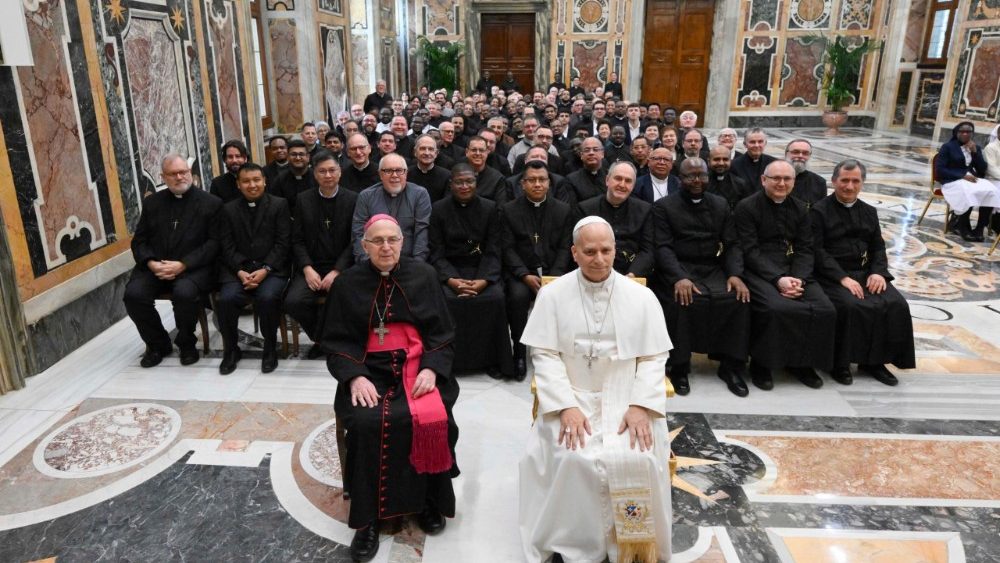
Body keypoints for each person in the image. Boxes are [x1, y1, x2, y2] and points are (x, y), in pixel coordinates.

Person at [519, 216, 672, 563]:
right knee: (572, 457)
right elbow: (544, 354)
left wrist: (640, 405)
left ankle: (631, 545)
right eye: (589, 252)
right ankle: (573, 543)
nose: (599, 259)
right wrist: (565, 405)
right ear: (574, 252)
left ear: (616, 250)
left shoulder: (642, 297)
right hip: (572, 394)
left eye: (606, 250)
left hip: (627, 396)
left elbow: (653, 356)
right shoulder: (552, 295)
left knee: (639, 456)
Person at [320, 214, 459, 562]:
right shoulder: (347, 283)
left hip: (417, 366)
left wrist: (432, 368)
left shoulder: (424, 275)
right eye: (377, 241)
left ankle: (428, 500)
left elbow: (443, 333)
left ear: (402, 242)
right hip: (369, 369)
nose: (386, 247)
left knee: (432, 415)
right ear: (364, 246)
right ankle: (367, 520)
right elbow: (335, 341)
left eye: (392, 240)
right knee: (366, 423)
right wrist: (354, 375)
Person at [653, 158, 751, 396]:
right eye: (690, 176)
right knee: (683, 301)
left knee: (738, 299)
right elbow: (663, 247)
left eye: (702, 175)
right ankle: (679, 366)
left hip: (711, 266)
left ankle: (730, 366)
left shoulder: (720, 204)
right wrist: (678, 277)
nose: (697, 180)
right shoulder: (664, 206)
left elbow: (732, 243)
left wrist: (735, 274)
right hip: (679, 267)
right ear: (680, 178)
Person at [811, 160, 915, 385]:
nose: (849, 186)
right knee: (850, 305)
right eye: (844, 180)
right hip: (832, 275)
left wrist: (878, 273)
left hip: (866, 272)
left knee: (895, 304)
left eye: (855, 181)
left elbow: (877, 246)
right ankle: (840, 363)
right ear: (834, 181)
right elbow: (817, 251)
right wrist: (842, 278)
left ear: (862, 183)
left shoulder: (869, 211)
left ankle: (875, 362)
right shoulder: (819, 211)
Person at [735, 160, 836, 389]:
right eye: (776, 178)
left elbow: (805, 248)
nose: (781, 183)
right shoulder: (747, 207)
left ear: (794, 181)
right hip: (760, 270)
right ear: (764, 180)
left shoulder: (800, 208)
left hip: (795, 269)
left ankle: (803, 363)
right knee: (776, 308)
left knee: (824, 309)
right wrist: (778, 278)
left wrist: (799, 278)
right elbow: (749, 250)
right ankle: (762, 365)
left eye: (787, 179)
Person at [124, 154, 222, 367]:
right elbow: (139, 241)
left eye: (183, 172)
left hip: (193, 268)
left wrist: (183, 264)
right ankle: (158, 344)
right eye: (173, 174)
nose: (179, 177)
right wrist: (151, 263)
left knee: (184, 293)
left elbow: (214, 243)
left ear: (190, 173)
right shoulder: (152, 203)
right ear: (163, 177)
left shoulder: (211, 203)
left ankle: (186, 344)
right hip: (156, 267)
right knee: (133, 295)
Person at [429, 164, 514, 377]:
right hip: (450, 271)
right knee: (447, 300)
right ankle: (449, 362)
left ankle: (492, 361)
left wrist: (483, 280)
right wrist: (451, 280)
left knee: (495, 298)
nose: (464, 186)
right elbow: (436, 251)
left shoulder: (490, 208)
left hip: (482, 270)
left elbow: (494, 249)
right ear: (451, 184)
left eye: (469, 181)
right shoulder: (438, 209)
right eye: (459, 182)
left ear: (476, 183)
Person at [216, 163, 291, 375]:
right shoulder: (228, 209)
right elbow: (226, 245)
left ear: (264, 181)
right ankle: (231, 349)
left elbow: (283, 243)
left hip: (271, 270)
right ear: (238, 184)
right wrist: (240, 271)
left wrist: (265, 269)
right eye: (246, 181)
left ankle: (270, 349)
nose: (252, 185)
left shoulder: (279, 205)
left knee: (267, 298)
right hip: (238, 271)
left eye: (257, 180)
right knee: (226, 300)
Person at [501, 161, 574, 379]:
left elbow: (565, 247)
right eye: (531, 180)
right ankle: (520, 353)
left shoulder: (563, 210)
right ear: (522, 184)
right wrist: (524, 275)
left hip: (555, 272)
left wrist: (555, 277)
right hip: (522, 273)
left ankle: (559, 353)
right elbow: (507, 248)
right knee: (517, 297)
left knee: (564, 297)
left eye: (542, 180)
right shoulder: (509, 210)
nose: (537, 184)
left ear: (549, 183)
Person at [286, 152, 357, 358]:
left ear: (340, 172)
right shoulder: (303, 200)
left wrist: (337, 271)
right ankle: (321, 339)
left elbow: (355, 240)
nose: (328, 175)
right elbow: (297, 240)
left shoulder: (354, 199)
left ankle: (340, 339)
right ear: (314, 174)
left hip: (342, 267)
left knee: (346, 298)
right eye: (322, 171)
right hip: (312, 266)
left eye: (332, 170)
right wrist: (307, 268)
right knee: (294, 301)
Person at [577, 161, 654, 278]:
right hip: (594, 271)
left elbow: (647, 250)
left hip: (631, 274)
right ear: (607, 180)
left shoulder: (644, 210)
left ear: (633, 186)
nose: (622, 185)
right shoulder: (585, 209)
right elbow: (580, 247)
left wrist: (632, 274)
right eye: (618, 178)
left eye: (628, 181)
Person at [352, 154, 433, 262]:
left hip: (409, 261)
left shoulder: (419, 194)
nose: (394, 175)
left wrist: (417, 264)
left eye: (399, 170)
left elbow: (422, 232)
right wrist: (367, 264)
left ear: (406, 173)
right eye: (388, 171)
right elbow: (358, 234)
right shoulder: (366, 196)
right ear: (380, 174)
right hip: (374, 262)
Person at [936, 121, 999, 241]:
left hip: (970, 179)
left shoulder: (975, 147)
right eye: (962, 131)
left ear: (972, 133)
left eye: (968, 132)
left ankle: (979, 229)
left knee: (992, 191)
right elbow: (940, 170)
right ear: (956, 132)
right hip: (952, 181)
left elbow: (982, 169)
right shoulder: (948, 147)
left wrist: (975, 152)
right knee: (968, 192)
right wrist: (962, 176)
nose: (965, 134)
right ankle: (962, 226)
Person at [268, 140, 314, 212]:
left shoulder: (318, 177)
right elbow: (276, 206)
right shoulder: (279, 180)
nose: (298, 158)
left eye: (301, 154)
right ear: (288, 157)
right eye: (293, 154)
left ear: (308, 157)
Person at [707, 145, 754, 211]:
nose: (721, 163)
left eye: (725, 159)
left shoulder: (740, 184)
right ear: (709, 161)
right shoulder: (701, 183)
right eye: (716, 159)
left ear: (730, 161)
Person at [564, 137, 608, 205]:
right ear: (581, 155)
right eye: (587, 150)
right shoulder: (571, 180)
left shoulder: (610, 177)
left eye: (595, 149)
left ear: (602, 154)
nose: (591, 153)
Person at [408, 134, 452, 202]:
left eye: (431, 149)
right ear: (415, 152)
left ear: (436, 153)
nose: (427, 153)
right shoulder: (406, 174)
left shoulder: (447, 176)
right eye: (423, 148)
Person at [731, 127, 776, 192]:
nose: (756, 145)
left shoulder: (774, 164)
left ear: (765, 143)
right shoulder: (734, 165)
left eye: (760, 142)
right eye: (752, 142)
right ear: (745, 144)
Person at [785, 139, 827, 207]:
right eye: (795, 152)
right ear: (786, 154)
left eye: (805, 153)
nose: (800, 156)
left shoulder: (819, 182)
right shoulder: (772, 176)